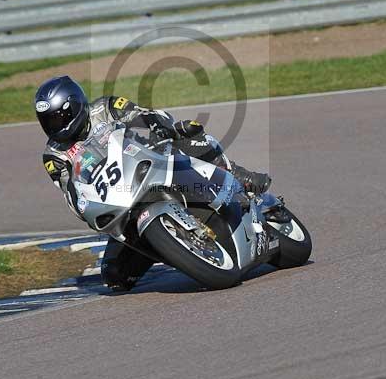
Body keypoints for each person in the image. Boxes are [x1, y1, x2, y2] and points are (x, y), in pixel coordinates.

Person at [34, 75, 271, 289]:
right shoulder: (54, 155)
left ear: (75, 106)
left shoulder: (104, 108)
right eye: (48, 121)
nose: (55, 125)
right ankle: (173, 246)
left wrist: (157, 125)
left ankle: (237, 174)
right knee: (114, 275)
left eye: (59, 117)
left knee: (186, 132)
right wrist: (83, 204)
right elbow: (70, 190)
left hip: (152, 159)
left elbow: (140, 113)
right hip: (120, 196)